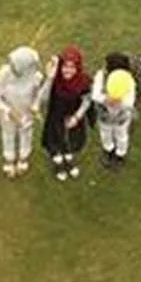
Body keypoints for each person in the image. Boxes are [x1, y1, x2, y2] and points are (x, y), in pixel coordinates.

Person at [0, 45, 46, 178]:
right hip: (8, 112)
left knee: (26, 134)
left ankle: (23, 157)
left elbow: (37, 95)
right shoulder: (4, 74)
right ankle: (9, 159)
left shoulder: (36, 77)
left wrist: (35, 107)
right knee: (8, 134)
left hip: (26, 111)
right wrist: (7, 110)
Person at [43, 46, 91, 181]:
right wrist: (49, 79)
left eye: (72, 67)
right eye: (65, 66)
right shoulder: (55, 80)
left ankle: (68, 160)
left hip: (74, 118)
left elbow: (87, 101)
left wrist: (77, 116)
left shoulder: (84, 81)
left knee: (71, 141)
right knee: (56, 141)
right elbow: (43, 99)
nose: (68, 71)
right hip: (55, 118)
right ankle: (58, 162)